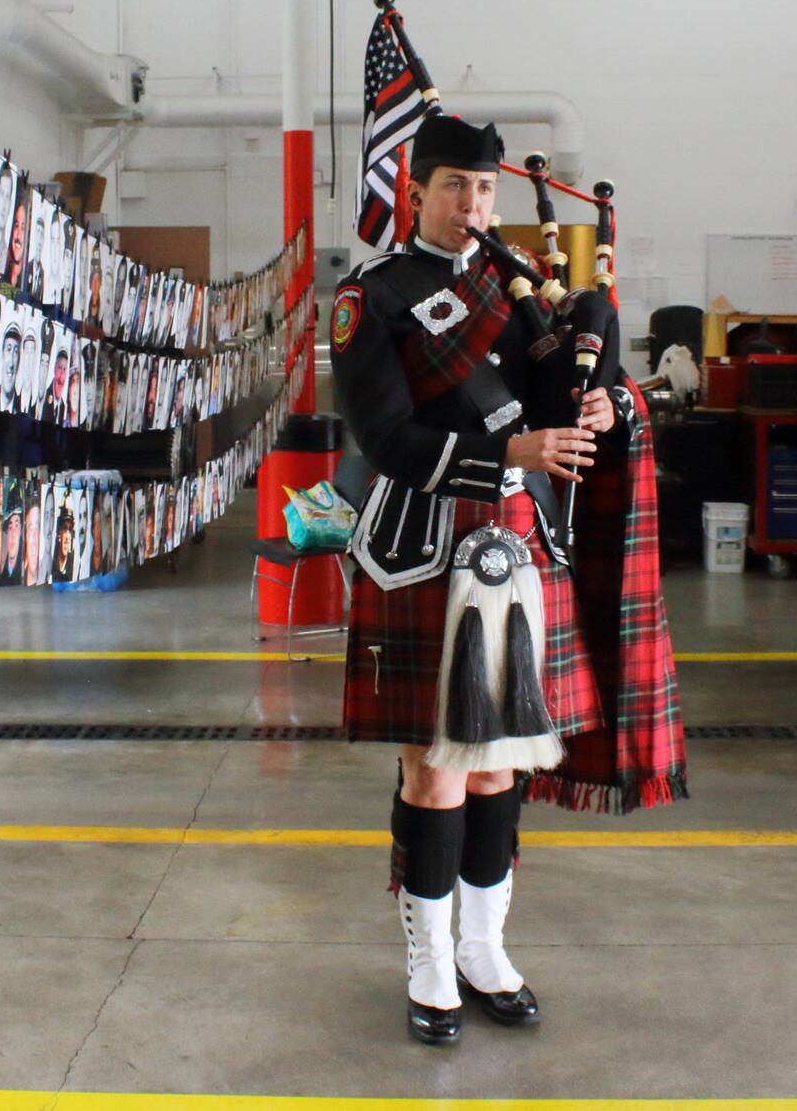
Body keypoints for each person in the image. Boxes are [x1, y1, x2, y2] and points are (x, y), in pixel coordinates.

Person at [328, 114, 684, 1047]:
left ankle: (484, 949)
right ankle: (429, 961)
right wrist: (509, 452)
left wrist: (606, 396)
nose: (472, 205)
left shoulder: (511, 283)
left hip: (521, 544)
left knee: (501, 764)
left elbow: (555, 386)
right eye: (454, 186)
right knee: (438, 769)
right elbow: (387, 440)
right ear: (415, 190)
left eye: (483, 189)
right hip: (420, 544)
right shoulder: (374, 296)